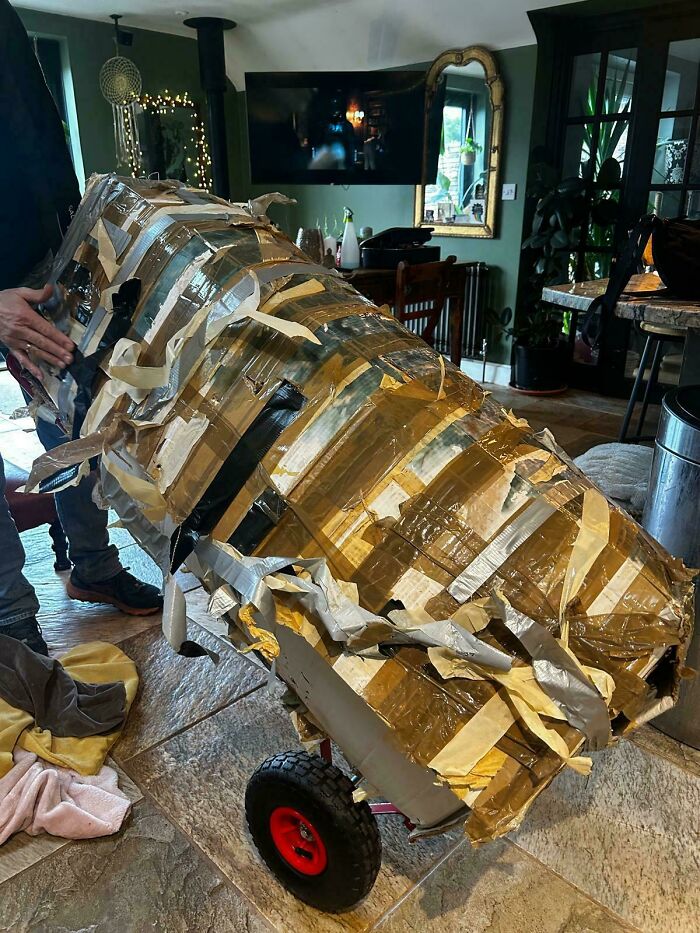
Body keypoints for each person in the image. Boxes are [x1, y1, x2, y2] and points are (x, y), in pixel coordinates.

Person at [0, 0, 162, 656]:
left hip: (40, 258)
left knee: (73, 422)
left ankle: (92, 565)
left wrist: (77, 234)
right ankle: (10, 621)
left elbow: (32, 132)